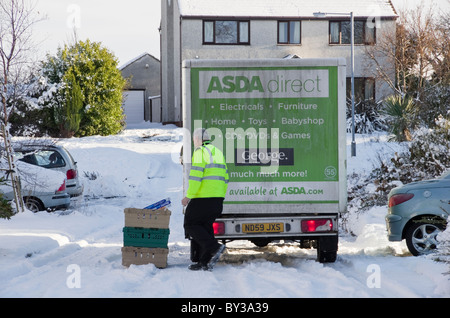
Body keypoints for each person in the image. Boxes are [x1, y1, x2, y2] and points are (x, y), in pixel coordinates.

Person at [181, 128, 229, 271]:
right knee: (205, 227)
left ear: (197, 140)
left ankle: (215, 247)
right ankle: (205, 261)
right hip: (217, 199)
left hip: (203, 197)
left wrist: (188, 196)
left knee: (190, 224)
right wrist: (219, 195)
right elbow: (226, 177)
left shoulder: (200, 152)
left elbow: (196, 177)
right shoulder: (217, 152)